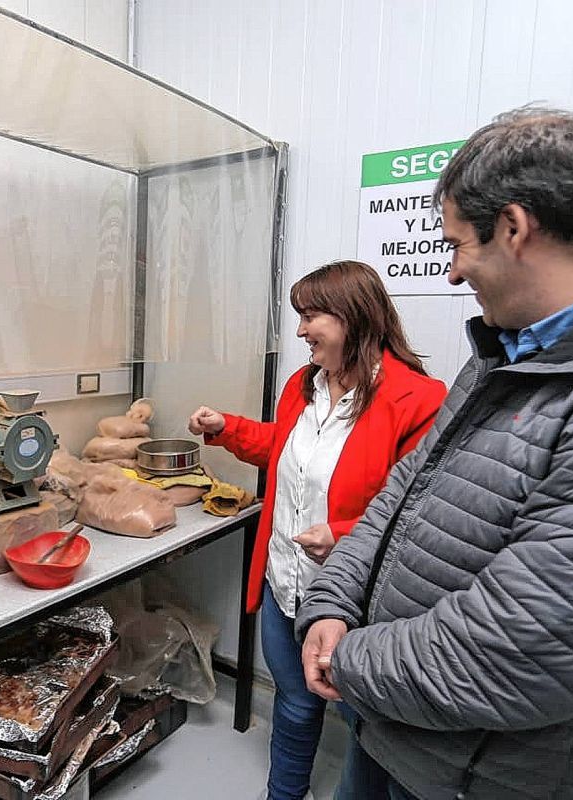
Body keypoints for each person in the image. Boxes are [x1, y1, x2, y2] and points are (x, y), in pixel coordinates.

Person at [297, 106, 573, 800]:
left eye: (459, 244)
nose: (453, 270)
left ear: (514, 228)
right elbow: (397, 502)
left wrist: (348, 658)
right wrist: (331, 605)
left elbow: (520, 653)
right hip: (393, 728)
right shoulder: (510, 353)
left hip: (485, 775)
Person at [188, 260, 447, 800]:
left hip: (358, 604)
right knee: (295, 702)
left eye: (312, 316)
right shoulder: (302, 386)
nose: (301, 330)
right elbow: (284, 453)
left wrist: (345, 533)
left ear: (356, 317)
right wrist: (227, 429)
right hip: (288, 585)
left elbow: (420, 513)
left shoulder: (418, 401)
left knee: (368, 728)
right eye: (300, 316)